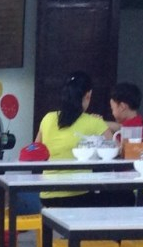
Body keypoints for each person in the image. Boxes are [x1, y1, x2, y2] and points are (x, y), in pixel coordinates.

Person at [37, 71, 133, 209]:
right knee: (127, 196)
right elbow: (117, 150)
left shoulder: (47, 118)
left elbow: (35, 149)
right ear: (88, 95)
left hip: (47, 196)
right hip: (77, 195)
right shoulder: (94, 122)